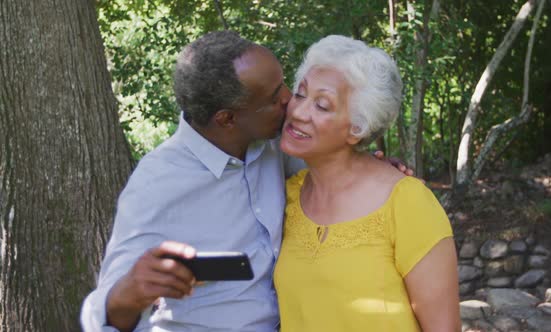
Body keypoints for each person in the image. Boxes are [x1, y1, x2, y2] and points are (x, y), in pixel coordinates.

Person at [81, 31, 412, 332]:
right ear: (227, 119)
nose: (289, 100)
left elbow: (334, 165)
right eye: (272, 98)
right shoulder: (157, 183)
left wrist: (373, 169)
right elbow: (103, 316)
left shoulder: (275, 144)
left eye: (286, 85)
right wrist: (130, 291)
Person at [273, 35, 460, 332]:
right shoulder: (285, 195)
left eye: (321, 106)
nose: (297, 112)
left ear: (356, 129)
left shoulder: (407, 202)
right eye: (299, 94)